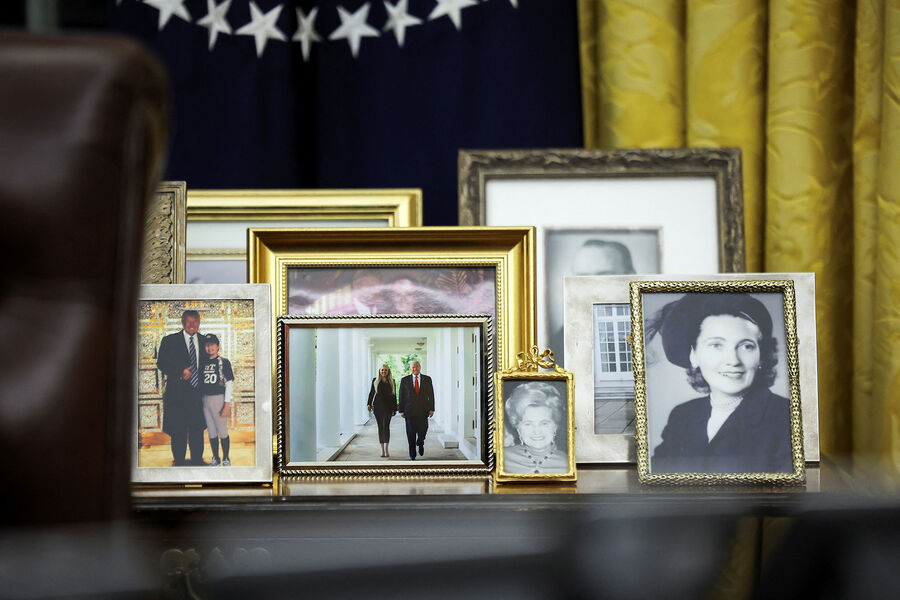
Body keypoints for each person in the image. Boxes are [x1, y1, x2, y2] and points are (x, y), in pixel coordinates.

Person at [648, 293, 792, 474]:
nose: (733, 360)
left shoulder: (786, 416)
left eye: (746, 346)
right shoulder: (682, 416)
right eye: (716, 345)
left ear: (761, 356)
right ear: (693, 355)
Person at [156, 310, 207, 466]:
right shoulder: (169, 340)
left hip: (198, 396)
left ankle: (197, 462)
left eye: (195, 321)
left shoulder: (205, 341)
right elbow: (161, 363)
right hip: (177, 396)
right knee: (178, 431)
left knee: (197, 431)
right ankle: (178, 463)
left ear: (199, 322)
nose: (192, 325)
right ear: (182, 322)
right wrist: (180, 372)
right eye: (188, 321)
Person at [503, 381, 568, 474]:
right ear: (517, 427)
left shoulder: (567, 464)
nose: (537, 431)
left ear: (555, 426)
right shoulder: (503, 458)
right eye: (528, 424)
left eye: (544, 423)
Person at [200, 334, 234, 466]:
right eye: (207, 345)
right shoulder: (202, 362)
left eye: (212, 345)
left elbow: (229, 383)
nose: (210, 348)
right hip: (205, 399)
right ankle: (215, 457)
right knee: (211, 430)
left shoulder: (223, 362)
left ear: (218, 346)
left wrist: (227, 404)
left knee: (222, 430)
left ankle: (226, 457)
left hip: (218, 399)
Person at [398, 361, 434, 460]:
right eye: (413, 367)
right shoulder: (404, 380)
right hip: (409, 411)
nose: (415, 369)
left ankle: (421, 441)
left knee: (423, 429)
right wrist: (401, 410)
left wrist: (432, 409)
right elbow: (401, 395)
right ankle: (412, 453)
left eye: (417, 366)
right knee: (410, 433)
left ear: (420, 367)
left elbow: (431, 395)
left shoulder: (427, 379)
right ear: (410, 368)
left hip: (423, 411)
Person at [367, 364, 397, 458]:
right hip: (378, 407)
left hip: (388, 408)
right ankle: (382, 450)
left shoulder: (392, 381)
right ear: (379, 371)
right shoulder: (375, 381)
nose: (384, 371)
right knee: (380, 427)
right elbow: (372, 393)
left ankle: (386, 449)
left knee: (386, 427)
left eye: (386, 370)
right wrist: (368, 403)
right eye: (382, 370)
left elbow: (394, 396)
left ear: (388, 371)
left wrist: (395, 409)